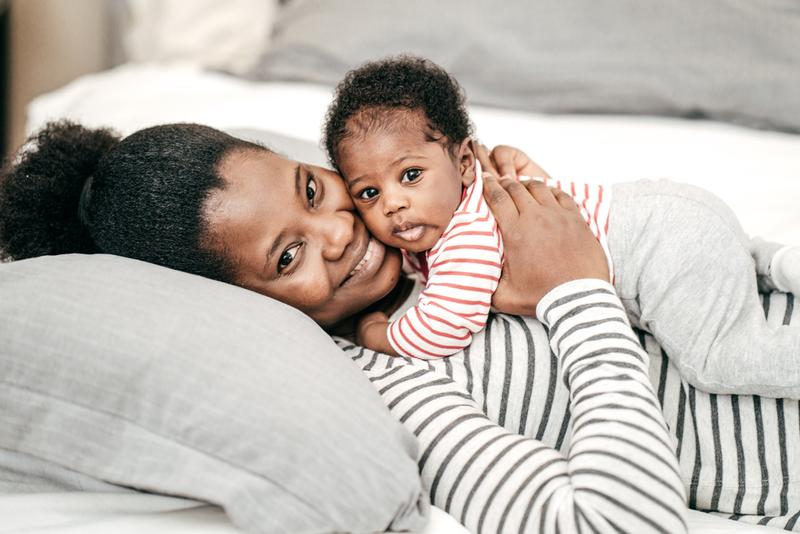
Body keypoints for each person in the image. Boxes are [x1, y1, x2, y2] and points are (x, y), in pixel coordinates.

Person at [0, 120, 797, 533]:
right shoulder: (390, 387)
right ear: (242, 305)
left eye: (312, 192)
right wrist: (576, 289)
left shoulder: (429, 225)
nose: (341, 232)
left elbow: (683, 253)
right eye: (288, 258)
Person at [321, 56, 800, 398]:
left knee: (718, 359)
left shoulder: (464, 237)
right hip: (662, 206)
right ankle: (781, 264)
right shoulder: (484, 187)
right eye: (369, 193)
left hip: (658, 254)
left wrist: (377, 334)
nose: (394, 204)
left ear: (464, 161)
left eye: (410, 176)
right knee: (742, 258)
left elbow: (442, 328)